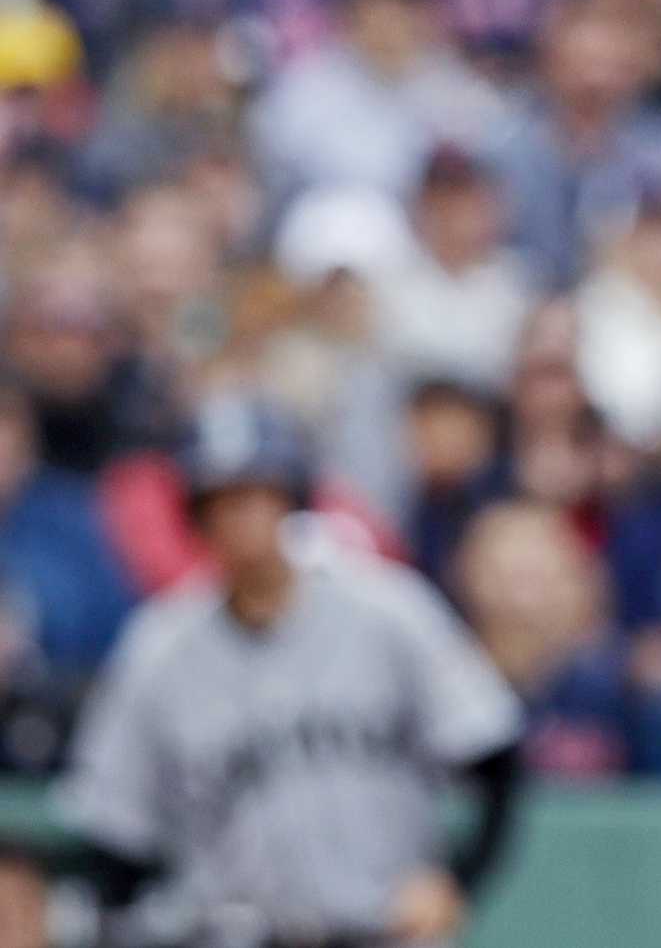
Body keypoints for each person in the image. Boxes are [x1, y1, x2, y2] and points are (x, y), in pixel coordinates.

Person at [58, 391, 524, 948]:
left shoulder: (387, 610)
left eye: (260, 496)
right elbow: (115, 835)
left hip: (384, 931)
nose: (245, 519)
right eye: (223, 501)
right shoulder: (158, 648)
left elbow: (495, 754)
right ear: (197, 517)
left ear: (293, 500)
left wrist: (456, 880)